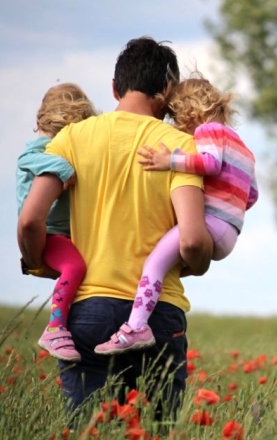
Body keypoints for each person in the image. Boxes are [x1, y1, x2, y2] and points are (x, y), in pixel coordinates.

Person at [17, 37, 213, 419]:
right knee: (155, 429)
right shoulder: (180, 148)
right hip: (158, 315)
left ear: (114, 87)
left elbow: (29, 219)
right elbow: (191, 240)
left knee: (90, 428)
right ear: (168, 90)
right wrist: (200, 260)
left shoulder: (72, 138)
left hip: (87, 311)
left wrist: (37, 260)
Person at [95, 75, 258, 355]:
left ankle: (135, 327)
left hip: (210, 223)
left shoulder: (208, 131)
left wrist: (168, 160)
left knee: (154, 265)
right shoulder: (244, 148)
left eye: (176, 117)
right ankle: (145, 312)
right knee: (168, 265)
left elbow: (209, 163)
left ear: (190, 111)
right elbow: (251, 195)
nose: (178, 126)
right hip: (230, 232)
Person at [16, 83, 96, 362]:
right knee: (75, 266)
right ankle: (55, 327)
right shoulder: (41, 149)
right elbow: (28, 159)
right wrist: (64, 168)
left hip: (62, 233)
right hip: (49, 233)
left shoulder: (55, 145)